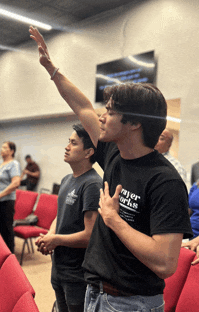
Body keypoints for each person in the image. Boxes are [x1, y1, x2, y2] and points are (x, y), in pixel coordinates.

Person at [30, 26, 192, 312]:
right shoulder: (114, 153)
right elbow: (81, 106)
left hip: (131, 303)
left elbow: (165, 263)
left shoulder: (165, 181)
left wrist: (114, 219)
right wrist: (51, 68)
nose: (102, 116)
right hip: (96, 291)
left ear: (134, 123)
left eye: (112, 111)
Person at [35, 123, 102, 312]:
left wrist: (55, 240)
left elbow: (90, 236)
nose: (67, 147)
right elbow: (60, 215)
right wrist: (50, 235)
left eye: (73, 143)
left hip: (77, 274)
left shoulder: (92, 185)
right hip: (59, 268)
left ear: (89, 152)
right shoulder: (67, 179)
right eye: (68, 142)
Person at [0, 141, 21, 252]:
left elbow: (16, 183)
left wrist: (1, 195)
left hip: (6, 201)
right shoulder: (0, 163)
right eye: (2, 147)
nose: (1, 149)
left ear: (11, 151)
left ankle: (9, 257)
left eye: (4, 148)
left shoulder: (14, 164)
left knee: (6, 230)